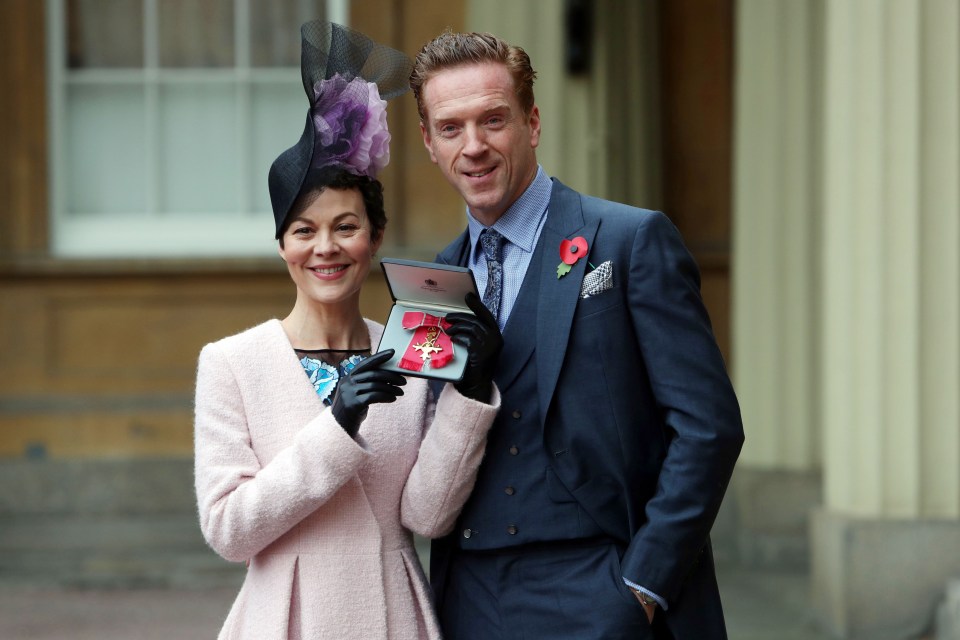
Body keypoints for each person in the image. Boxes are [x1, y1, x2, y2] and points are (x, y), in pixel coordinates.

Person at [409, 30, 745, 640]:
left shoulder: (629, 240)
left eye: (493, 120)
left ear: (532, 123)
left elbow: (709, 426)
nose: (475, 146)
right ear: (429, 143)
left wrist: (642, 586)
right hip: (470, 601)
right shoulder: (436, 281)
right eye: (451, 128)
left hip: (601, 584)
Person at [193, 21, 502, 640]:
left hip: (394, 616)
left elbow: (427, 515)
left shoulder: (409, 344)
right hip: (286, 619)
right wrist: (336, 425)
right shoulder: (232, 362)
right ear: (282, 245)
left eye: (346, 227)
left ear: (375, 238)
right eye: (304, 231)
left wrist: (469, 394)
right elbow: (229, 530)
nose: (325, 248)